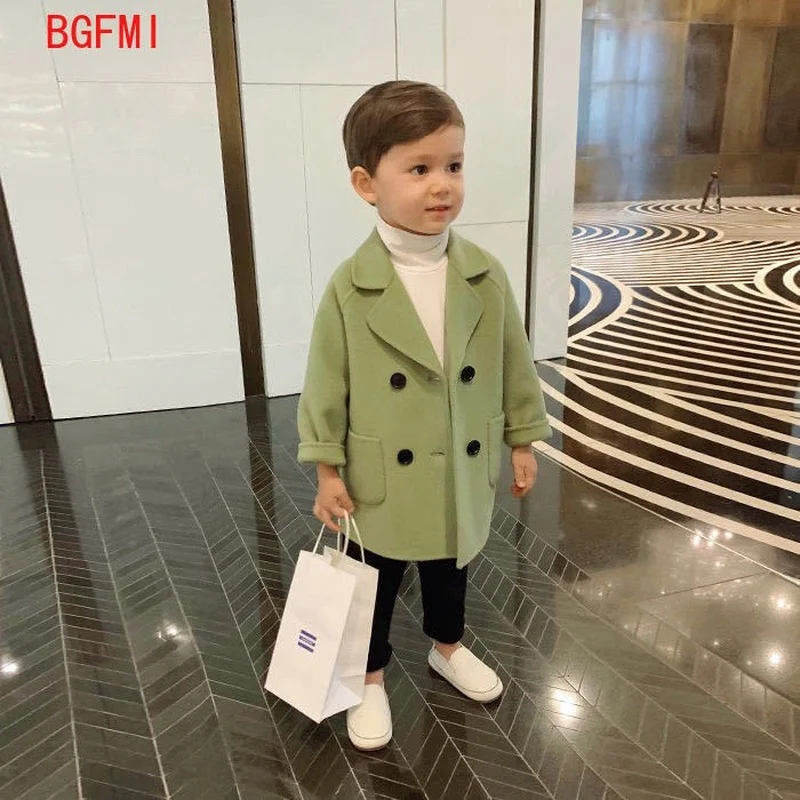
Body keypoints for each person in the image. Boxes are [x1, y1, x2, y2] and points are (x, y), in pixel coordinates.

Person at [297, 80, 552, 751]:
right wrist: (326, 470)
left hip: (461, 462)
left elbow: (513, 361)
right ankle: (369, 675)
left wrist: (522, 438)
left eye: (454, 165)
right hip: (381, 471)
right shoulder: (351, 286)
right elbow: (325, 382)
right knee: (373, 582)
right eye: (419, 168)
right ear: (366, 184)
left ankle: (447, 645)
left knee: (450, 566)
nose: (442, 185)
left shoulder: (484, 274)